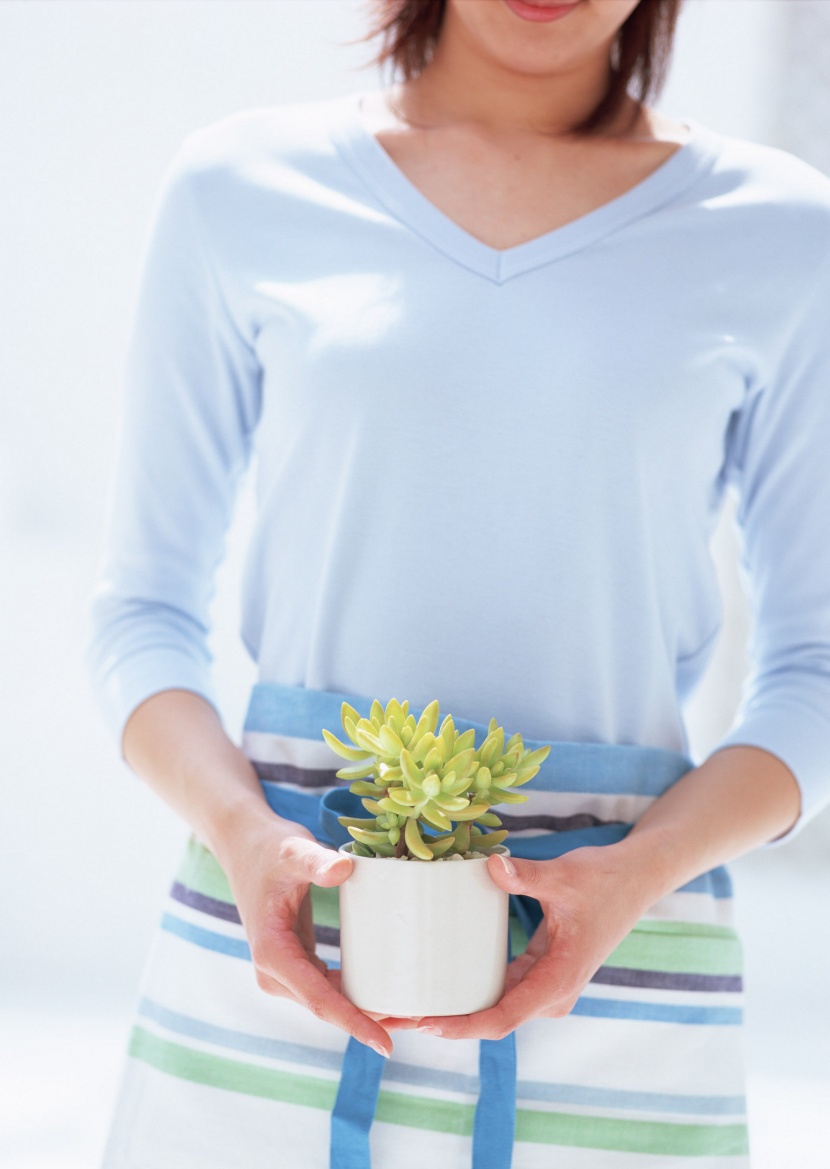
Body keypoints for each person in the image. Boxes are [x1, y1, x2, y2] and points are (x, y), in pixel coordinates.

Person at [88, 1, 830, 1165]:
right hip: (279, 940)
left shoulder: (782, 231)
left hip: (615, 965)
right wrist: (243, 835)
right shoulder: (236, 189)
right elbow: (141, 614)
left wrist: (633, 874)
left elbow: (814, 668)